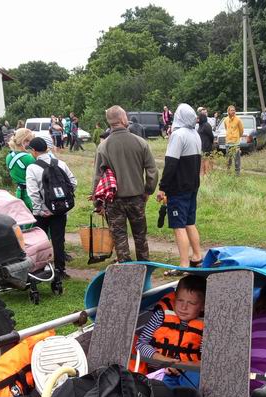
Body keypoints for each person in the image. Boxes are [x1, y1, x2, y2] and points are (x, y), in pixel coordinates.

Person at [91, 105, 158, 263]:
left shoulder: (103, 146)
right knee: (140, 236)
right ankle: (145, 268)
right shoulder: (140, 142)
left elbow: (97, 177)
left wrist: (97, 202)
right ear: (122, 119)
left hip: (113, 200)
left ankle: (126, 270)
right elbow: (152, 171)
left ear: (109, 122)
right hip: (137, 197)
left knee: (120, 238)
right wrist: (148, 190)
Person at [134, 275, 206, 389]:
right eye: (180, 300)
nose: (183, 307)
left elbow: (207, 361)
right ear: (175, 298)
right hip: (159, 371)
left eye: (191, 303)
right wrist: (165, 361)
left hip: (189, 373)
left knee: (195, 377)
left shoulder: (206, 325)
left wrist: (183, 366)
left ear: (202, 307)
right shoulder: (161, 315)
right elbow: (140, 344)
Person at [157, 103, 204, 273]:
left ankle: (184, 265)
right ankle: (197, 257)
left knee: (179, 226)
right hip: (193, 186)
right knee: (190, 222)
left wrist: (162, 188)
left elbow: (171, 164)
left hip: (179, 188)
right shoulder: (195, 134)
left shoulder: (177, 135)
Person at [25, 136, 77, 286]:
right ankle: (60, 270)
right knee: (58, 239)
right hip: (60, 210)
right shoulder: (60, 163)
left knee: (40, 241)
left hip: (43, 211)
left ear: (34, 151)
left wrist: (40, 209)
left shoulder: (32, 168)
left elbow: (33, 192)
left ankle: (41, 270)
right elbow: (73, 182)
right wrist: (63, 200)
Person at [6, 128, 36, 210]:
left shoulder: (9, 157)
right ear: (24, 141)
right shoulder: (29, 158)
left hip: (19, 192)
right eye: (29, 141)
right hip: (31, 193)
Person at [223, 105, 244, 175]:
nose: (233, 111)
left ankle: (237, 173)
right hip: (228, 142)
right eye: (232, 110)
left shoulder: (238, 120)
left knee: (237, 159)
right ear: (228, 111)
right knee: (228, 159)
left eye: (234, 110)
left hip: (235, 143)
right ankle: (228, 173)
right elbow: (226, 128)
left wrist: (237, 136)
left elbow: (241, 130)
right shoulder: (225, 120)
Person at [197, 108, 215, 176]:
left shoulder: (206, 125)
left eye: (199, 118)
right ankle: (202, 173)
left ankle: (207, 173)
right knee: (202, 159)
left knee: (206, 159)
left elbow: (211, 136)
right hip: (201, 145)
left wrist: (211, 143)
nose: (197, 119)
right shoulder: (200, 125)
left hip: (207, 145)